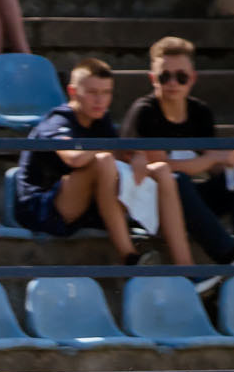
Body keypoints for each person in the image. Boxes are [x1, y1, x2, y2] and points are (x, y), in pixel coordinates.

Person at [14, 58, 191, 268]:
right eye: (92, 92)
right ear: (72, 92)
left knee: (161, 170)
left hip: (86, 205)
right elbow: (75, 158)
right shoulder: (58, 121)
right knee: (103, 160)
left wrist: (136, 156)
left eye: (106, 93)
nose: (100, 100)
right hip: (41, 210)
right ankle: (130, 258)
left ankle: (187, 270)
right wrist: (109, 148)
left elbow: (121, 153)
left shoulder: (100, 119)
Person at [129, 35, 234, 274]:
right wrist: (214, 159)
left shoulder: (200, 112)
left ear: (193, 78)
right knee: (179, 181)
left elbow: (214, 163)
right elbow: (160, 166)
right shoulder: (144, 112)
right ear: (152, 78)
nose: (173, 83)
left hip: (187, 203)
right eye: (164, 76)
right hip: (151, 207)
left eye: (181, 76)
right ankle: (228, 254)